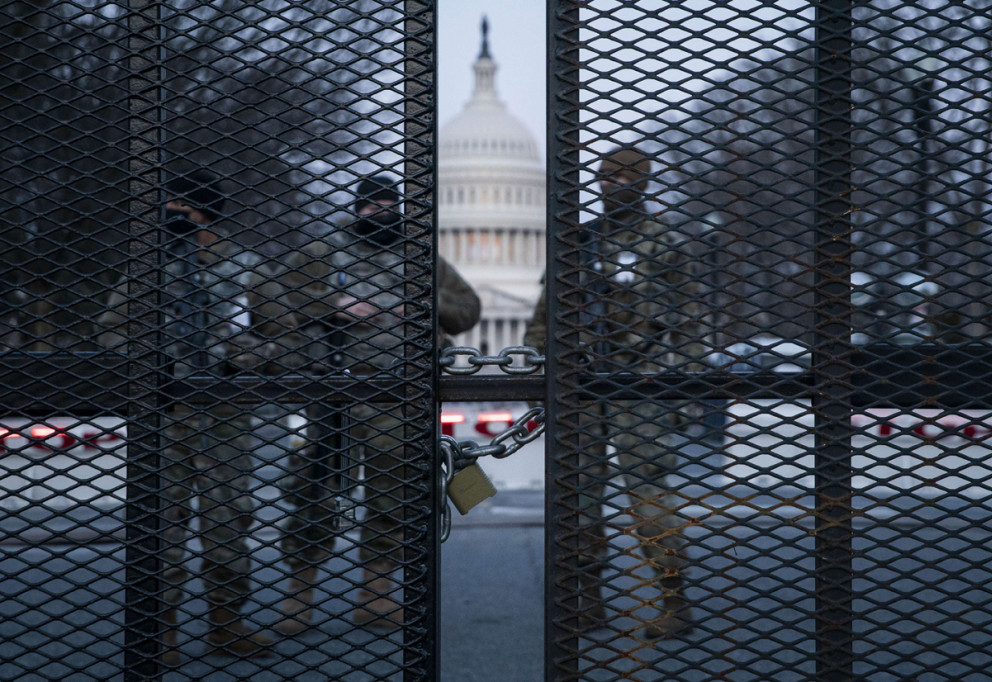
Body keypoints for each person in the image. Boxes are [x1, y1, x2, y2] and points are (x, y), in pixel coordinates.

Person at [247, 175, 481, 634]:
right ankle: (299, 597)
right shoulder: (321, 253)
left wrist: (422, 302)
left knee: (392, 495)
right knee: (315, 494)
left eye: (387, 205)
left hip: (399, 395)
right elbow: (276, 300)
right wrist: (334, 305)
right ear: (357, 210)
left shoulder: (422, 259)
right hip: (332, 394)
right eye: (371, 206)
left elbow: (468, 309)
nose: (380, 212)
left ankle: (375, 596)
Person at [523, 145, 708, 640]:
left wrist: (685, 392)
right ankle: (587, 600)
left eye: (627, 175)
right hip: (579, 389)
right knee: (578, 499)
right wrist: (536, 383)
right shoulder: (578, 243)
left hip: (640, 385)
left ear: (645, 181)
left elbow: (690, 325)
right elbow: (544, 321)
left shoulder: (666, 245)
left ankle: (673, 600)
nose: (614, 184)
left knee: (650, 496)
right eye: (606, 176)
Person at [98, 170, 272, 663]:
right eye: (168, 204)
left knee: (228, 524)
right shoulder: (148, 269)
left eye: (183, 206)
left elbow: (288, 342)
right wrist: (148, 360)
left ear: (207, 215)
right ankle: (163, 631)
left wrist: (247, 355)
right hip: (163, 417)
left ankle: (225, 622)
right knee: (162, 527)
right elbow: (111, 329)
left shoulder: (247, 270)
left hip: (224, 420)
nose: (172, 213)